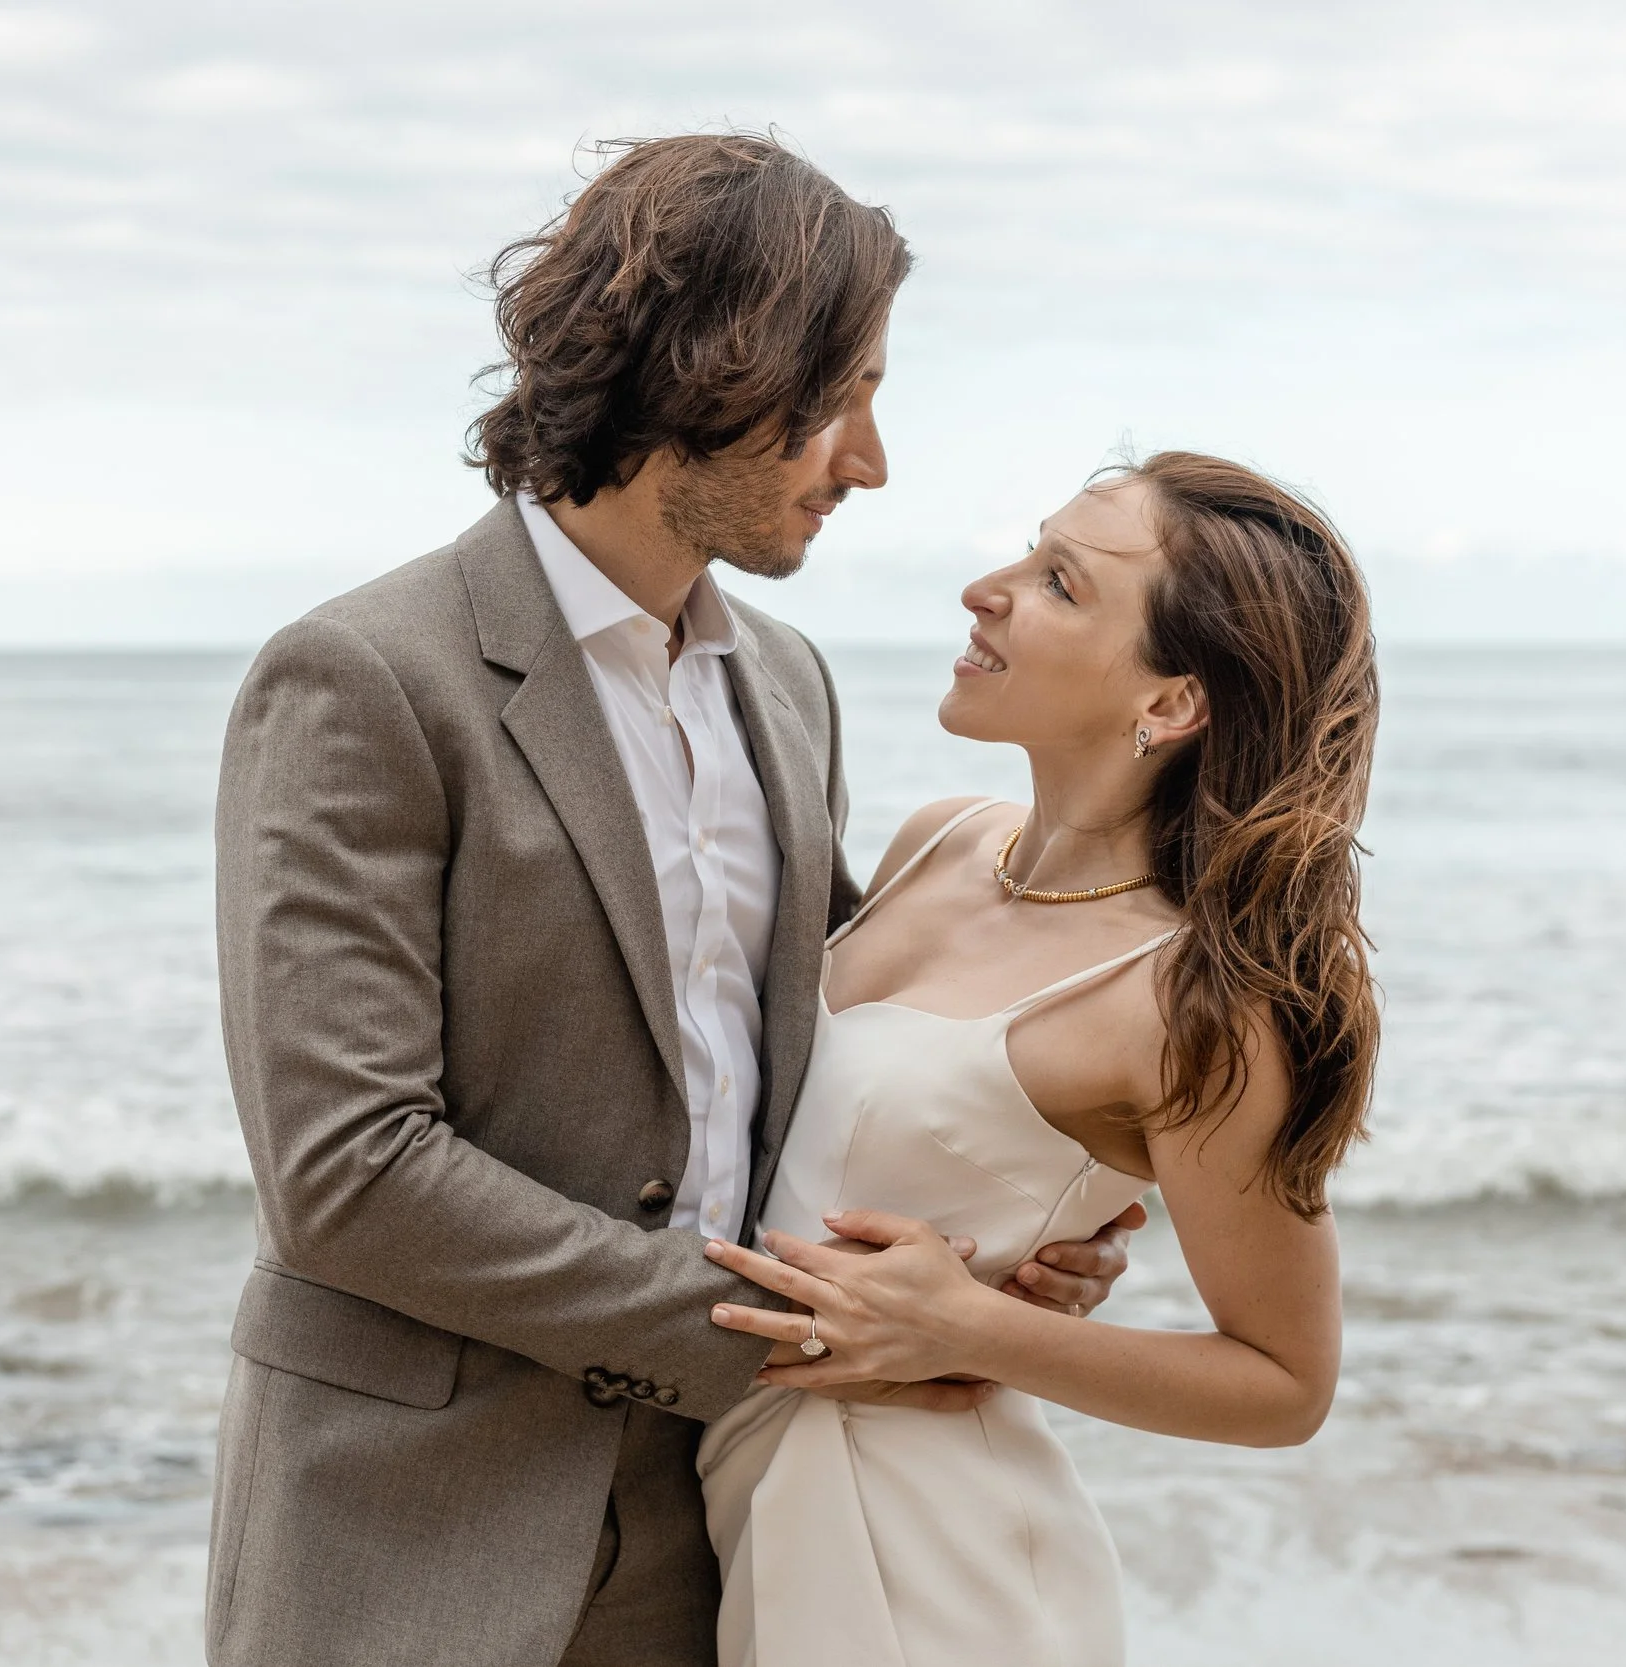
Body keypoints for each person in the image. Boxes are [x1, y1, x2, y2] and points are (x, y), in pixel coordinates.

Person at [205, 132, 1141, 1667]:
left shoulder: (787, 685)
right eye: (845, 398)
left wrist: (1006, 1246)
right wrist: (785, 1345)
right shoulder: (370, 677)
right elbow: (347, 1169)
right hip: (413, 1526)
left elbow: (842, 1052)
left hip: (737, 1526)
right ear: (710, 367)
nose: (870, 461)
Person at [698, 451, 1382, 1666]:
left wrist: (976, 1328)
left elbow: (1284, 1381)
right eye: (1027, 552)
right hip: (727, 1500)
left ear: (1170, 703)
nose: (986, 587)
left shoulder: (1191, 1003)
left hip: (930, 1566)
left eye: (1059, 583)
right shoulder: (934, 841)